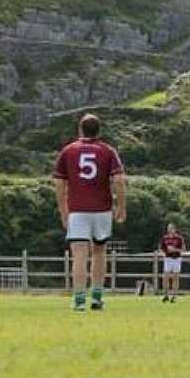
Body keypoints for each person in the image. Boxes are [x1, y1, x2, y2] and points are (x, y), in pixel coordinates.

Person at [54, 114, 126, 311]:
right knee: (99, 252)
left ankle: (78, 300)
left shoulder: (68, 151)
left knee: (79, 255)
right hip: (102, 209)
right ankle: (96, 297)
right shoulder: (108, 151)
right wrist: (121, 206)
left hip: (77, 210)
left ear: (80, 129)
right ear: (99, 130)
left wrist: (63, 210)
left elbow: (59, 182)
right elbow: (119, 180)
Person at [160, 223, 186, 303]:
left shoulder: (179, 238)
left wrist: (174, 249)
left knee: (175, 278)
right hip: (168, 259)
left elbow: (183, 249)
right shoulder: (165, 238)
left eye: (171, 228)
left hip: (176, 259)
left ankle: (174, 296)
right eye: (168, 228)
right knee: (166, 277)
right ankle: (166, 295)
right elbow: (161, 248)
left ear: (174, 229)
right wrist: (165, 252)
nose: (170, 230)